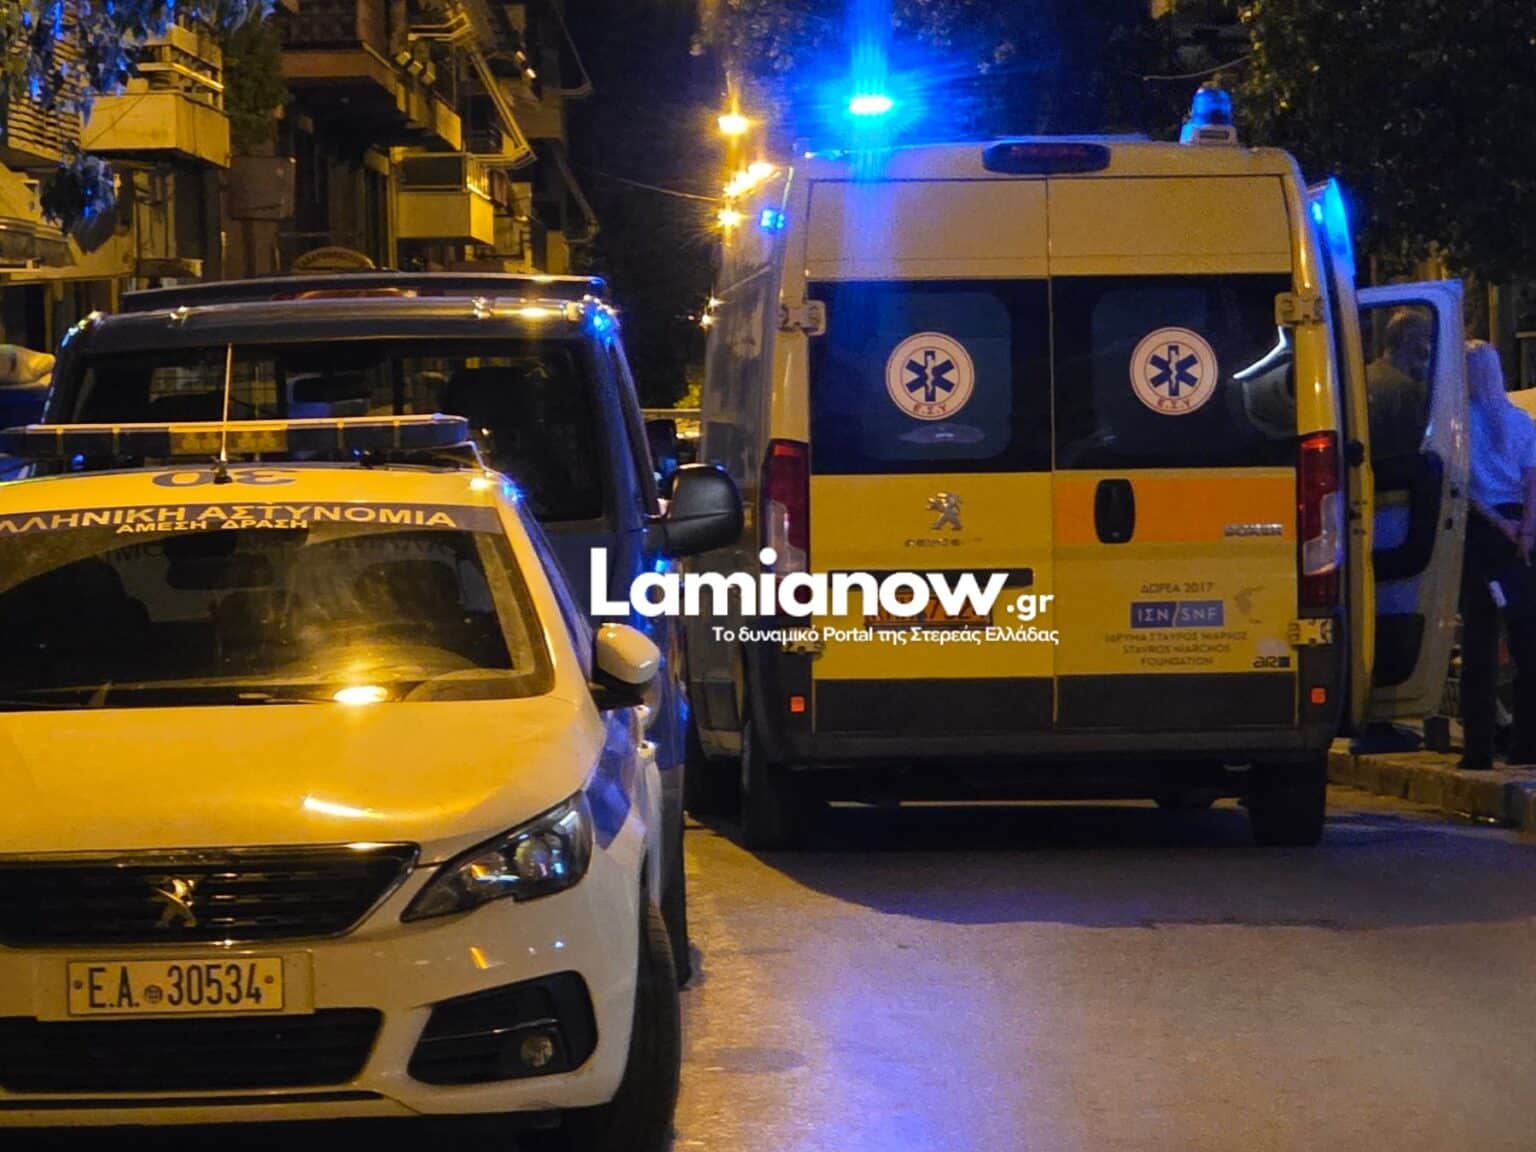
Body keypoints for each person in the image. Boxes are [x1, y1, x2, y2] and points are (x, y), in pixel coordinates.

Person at [1459, 340, 1536, 769]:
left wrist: (1498, 524)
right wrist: (1526, 528)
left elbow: (1462, 490)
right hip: (1522, 534)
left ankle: (1478, 749)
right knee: (1527, 639)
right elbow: (1532, 481)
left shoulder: (1458, 426)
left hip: (1481, 534)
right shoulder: (1520, 421)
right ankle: (1527, 743)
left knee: (1479, 641)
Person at [1366, 308, 1433, 462]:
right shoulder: (1404, 390)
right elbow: (1415, 450)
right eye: (1425, 338)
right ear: (1408, 340)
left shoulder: (1366, 375)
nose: (1428, 346)